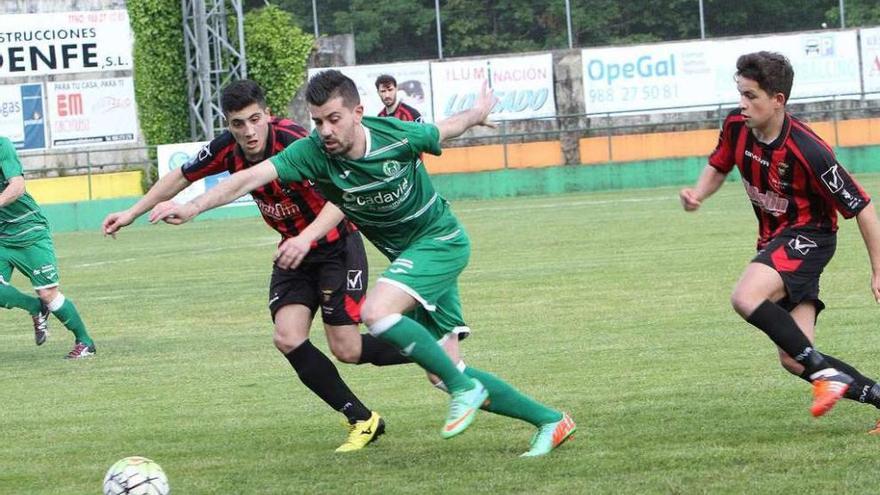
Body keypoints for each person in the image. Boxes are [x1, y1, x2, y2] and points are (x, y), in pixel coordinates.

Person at [149, 70, 576, 457]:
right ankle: (551, 420)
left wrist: (477, 111)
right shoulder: (313, 153)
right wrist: (193, 206)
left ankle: (464, 390)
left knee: (375, 312)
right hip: (411, 257)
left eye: (334, 119)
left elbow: (445, 130)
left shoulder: (395, 136)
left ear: (358, 112)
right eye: (317, 121)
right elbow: (248, 178)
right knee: (442, 373)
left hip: (440, 241)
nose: (325, 130)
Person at [102, 80, 412, 453]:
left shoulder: (298, 142)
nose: (248, 132)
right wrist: (132, 212)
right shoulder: (227, 149)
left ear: (267, 114)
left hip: (336, 247)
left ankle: (430, 346)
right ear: (228, 124)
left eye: (254, 120)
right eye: (238, 124)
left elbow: (343, 198)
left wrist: (305, 237)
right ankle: (363, 420)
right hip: (294, 254)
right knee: (287, 337)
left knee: (346, 349)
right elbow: (182, 176)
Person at [680, 51, 880, 424]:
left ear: (778, 100)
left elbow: (862, 207)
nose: (742, 104)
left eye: (751, 96)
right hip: (775, 241)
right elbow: (718, 164)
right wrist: (699, 194)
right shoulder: (736, 127)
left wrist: (878, 271)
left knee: (745, 296)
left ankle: (824, 374)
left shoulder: (810, 151)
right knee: (794, 356)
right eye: (740, 93)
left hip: (810, 238)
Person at [0, 136, 96, 358]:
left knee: (48, 293)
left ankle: (85, 341)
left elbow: (17, 186)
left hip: (30, 231)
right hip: (2, 237)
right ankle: (34, 307)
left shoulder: (2, 145)